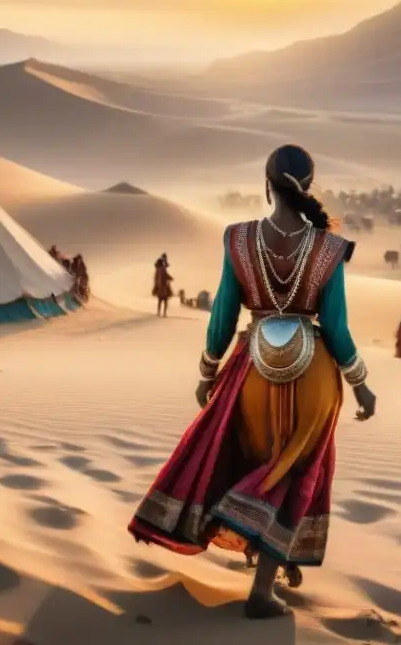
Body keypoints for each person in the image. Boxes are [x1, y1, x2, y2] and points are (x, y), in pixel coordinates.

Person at [128, 144, 376, 620]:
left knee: (254, 458)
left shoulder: (237, 240)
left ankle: (262, 556)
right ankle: (264, 586)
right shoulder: (329, 248)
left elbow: (223, 314)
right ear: (308, 187)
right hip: (316, 371)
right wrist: (361, 383)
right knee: (295, 471)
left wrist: (208, 369)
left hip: (252, 367)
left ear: (266, 186)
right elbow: (338, 327)